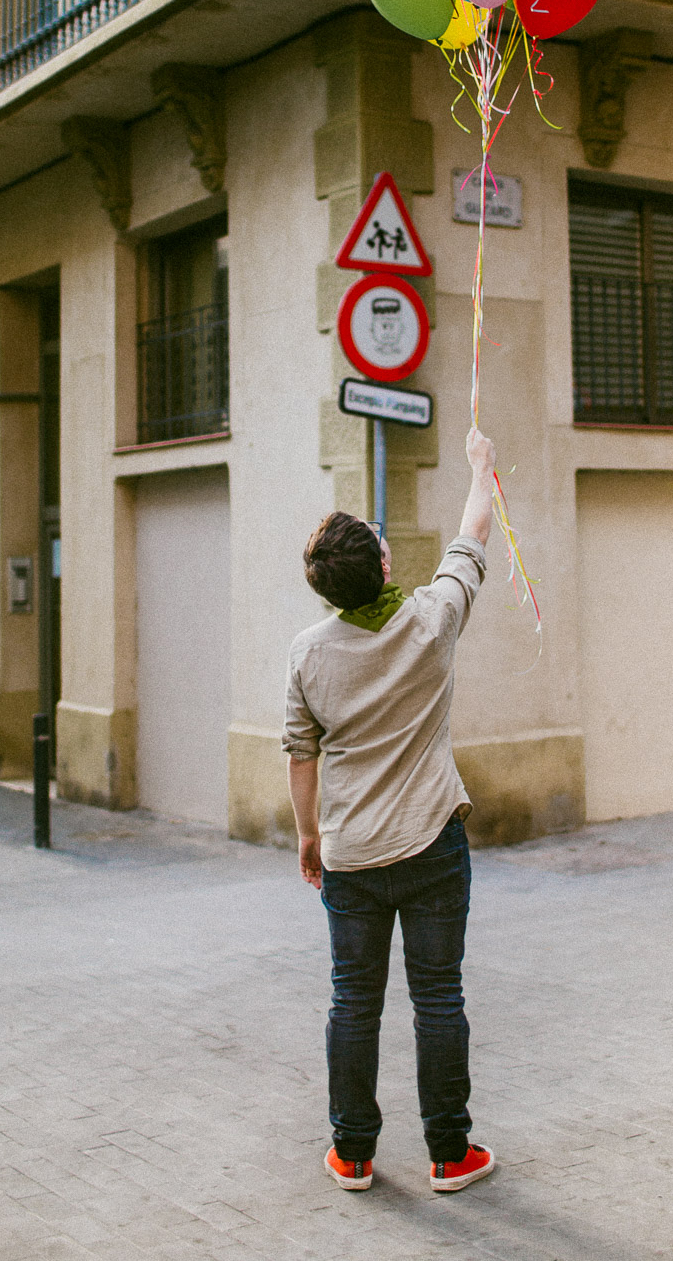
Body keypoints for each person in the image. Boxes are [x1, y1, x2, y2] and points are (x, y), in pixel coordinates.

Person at [283, 426, 497, 1194]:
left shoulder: (308, 653)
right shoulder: (433, 617)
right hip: (431, 843)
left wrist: (310, 838)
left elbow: (299, 753)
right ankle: (449, 1153)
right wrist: (480, 466)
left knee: (353, 999)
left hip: (351, 855)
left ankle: (352, 1153)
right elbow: (472, 531)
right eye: (378, 539)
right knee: (439, 996)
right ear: (380, 565)